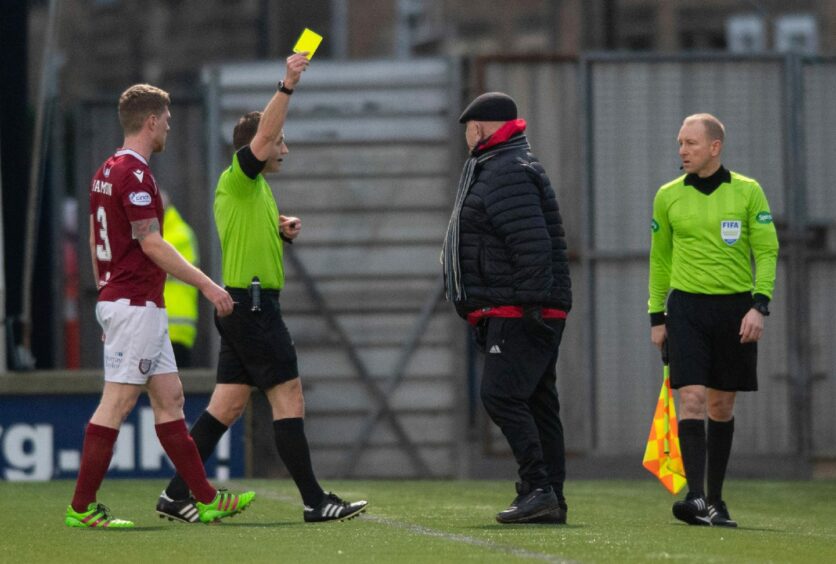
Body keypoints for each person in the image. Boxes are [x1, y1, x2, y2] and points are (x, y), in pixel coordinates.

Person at [155, 52, 368, 524]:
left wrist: (280, 229)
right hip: (252, 307)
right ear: (258, 146)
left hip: (240, 305)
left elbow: (251, 229)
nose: (284, 150)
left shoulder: (253, 190)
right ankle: (315, 501)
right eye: (280, 143)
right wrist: (288, 83)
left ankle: (175, 494)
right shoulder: (239, 175)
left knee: (226, 407)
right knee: (288, 395)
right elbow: (267, 134)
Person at [66, 84, 255, 529]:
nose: (168, 124)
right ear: (150, 121)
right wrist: (209, 285)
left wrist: (104, 300)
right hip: (134, 304)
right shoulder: (134, 174)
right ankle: (81, 507)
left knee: (170, 399)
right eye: (166, 118)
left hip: (128, 302)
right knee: (116, 404)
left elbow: (99, 245)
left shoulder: (105, 170)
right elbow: (151, 242)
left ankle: (204, 498)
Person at [442, 92, 572, 524]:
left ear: (480, 128)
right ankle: (550, 497)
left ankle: (538, 488)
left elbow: (531, 242)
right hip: (525, 305)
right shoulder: (506, 164)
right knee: (537, 402)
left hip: (520, 308)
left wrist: (531, 307)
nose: (466, 136)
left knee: (499, 395)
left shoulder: (505, 171)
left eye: (467, 128)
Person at [648, 113, 779, 527]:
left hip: (735, 309)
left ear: (715, 147)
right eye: (680, 143)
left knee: (721, 405)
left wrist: (759, 305)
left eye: (690, 143)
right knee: (691, 398)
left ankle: (717, 500)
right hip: (686, 310)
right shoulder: (668, 196)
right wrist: (656, 315)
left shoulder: (747, 192)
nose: (682, 151)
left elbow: (768, 251)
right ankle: (697, 497)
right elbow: (660, 258)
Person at [161, 191, 200, 368]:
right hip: (156, 324)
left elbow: (155, 266)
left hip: (175, 326)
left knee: (175, 388)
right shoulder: (161, 233)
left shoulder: (179, 234)